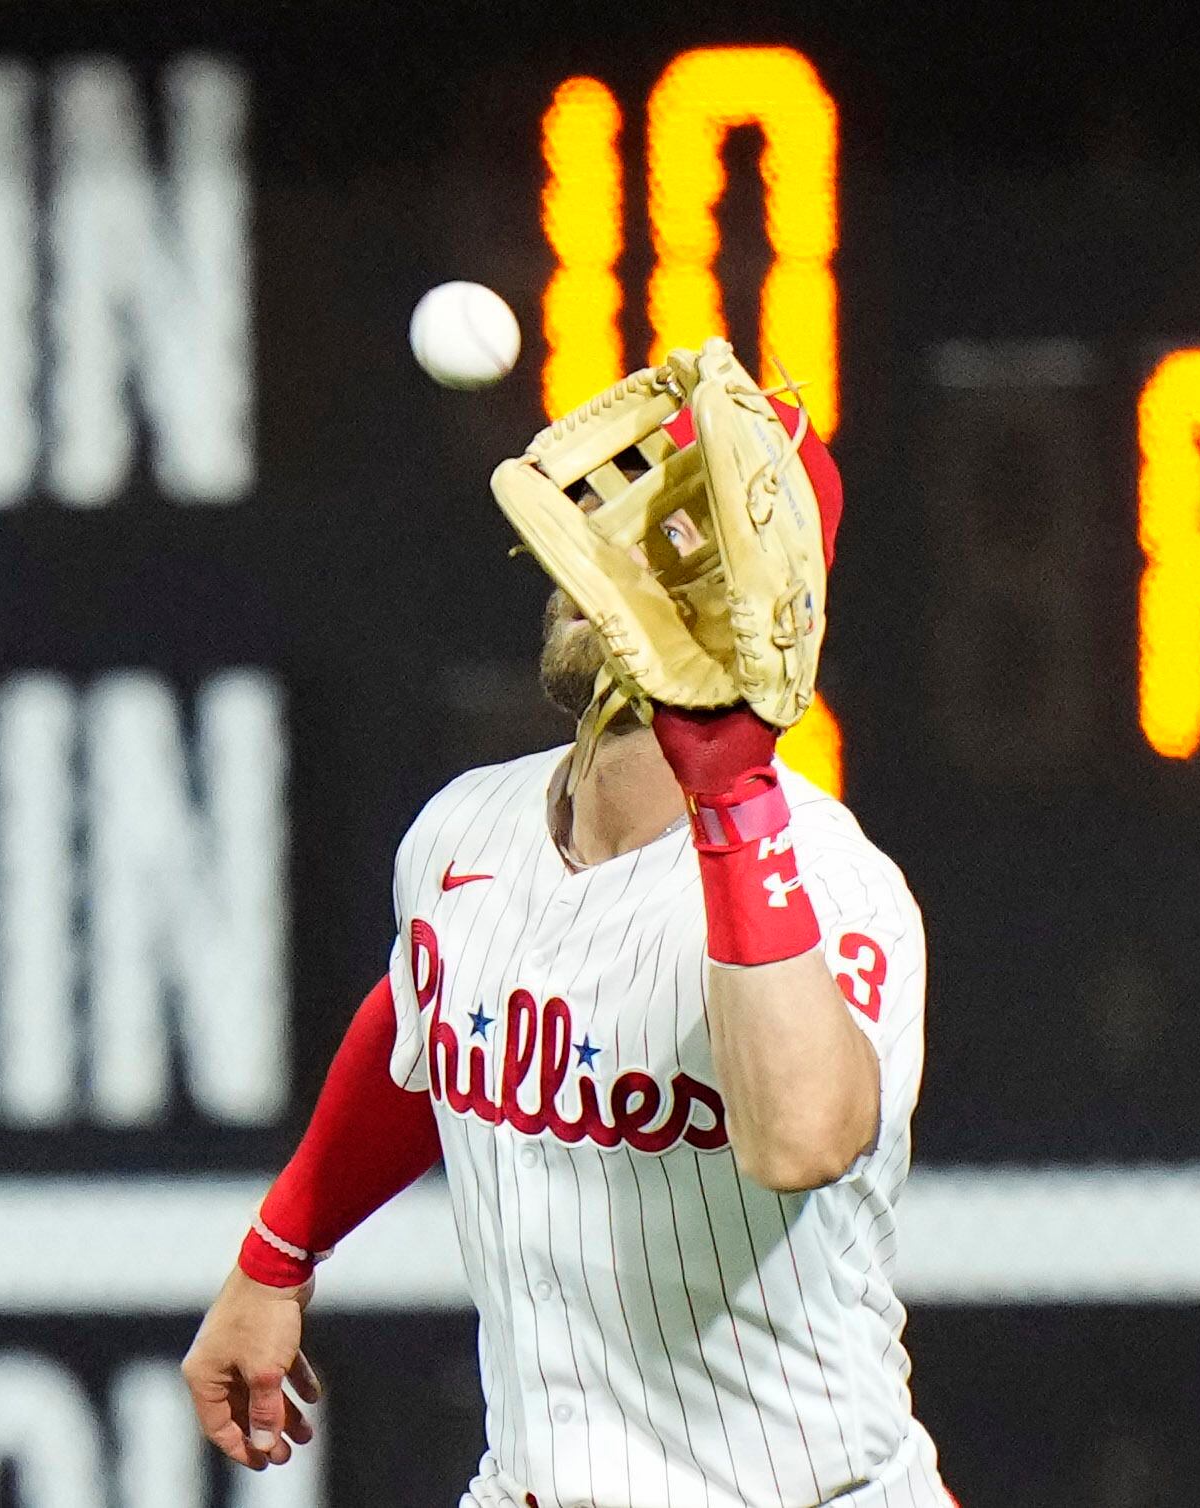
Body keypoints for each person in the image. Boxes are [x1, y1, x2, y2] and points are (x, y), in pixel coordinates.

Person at [181, 404, 951, 1506]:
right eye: (602, 533)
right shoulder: (467, 829)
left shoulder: (823, 882)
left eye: (664, 549)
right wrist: (280, 1247)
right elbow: (424, 1024)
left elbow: (802, 1136)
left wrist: (731, 798)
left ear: (749, 613)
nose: (597, 570)